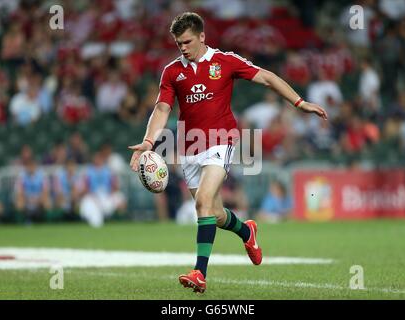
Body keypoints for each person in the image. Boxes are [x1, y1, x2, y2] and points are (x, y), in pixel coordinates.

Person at [128, 12, 327, 294]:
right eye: (177, 43)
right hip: (191, 148)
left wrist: (299, 102)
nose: (182, 48)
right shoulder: (173, 71)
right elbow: (162, 108)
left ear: (201, 37)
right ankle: (247, 232)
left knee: (203, 203)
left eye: (186, 41)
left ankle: (200, 272)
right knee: (215, 213)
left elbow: (268, 78)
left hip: (221, 141)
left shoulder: (225, 61)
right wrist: (149, 141)